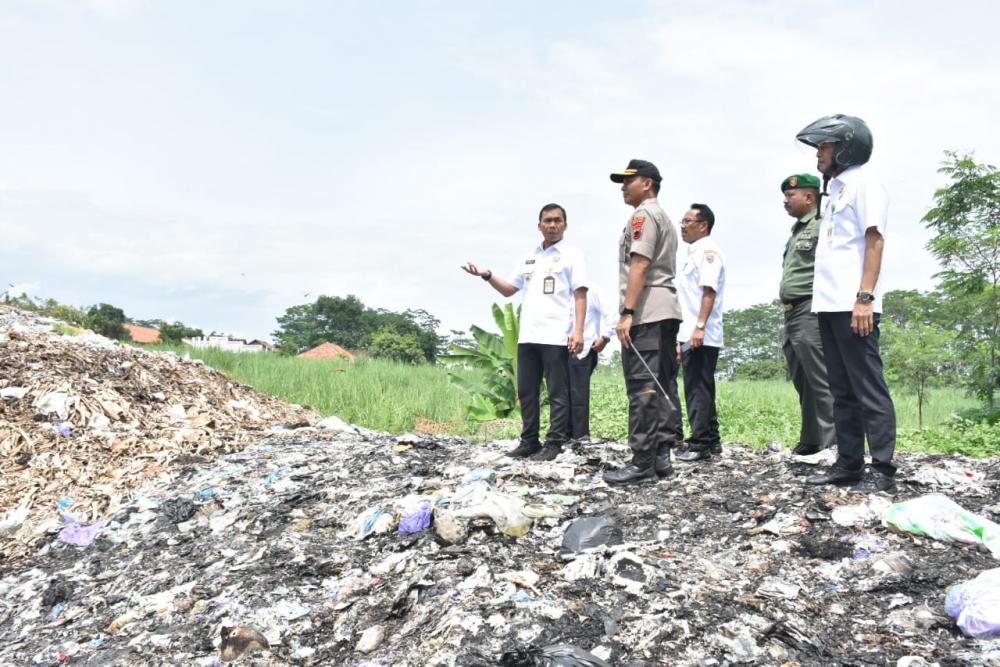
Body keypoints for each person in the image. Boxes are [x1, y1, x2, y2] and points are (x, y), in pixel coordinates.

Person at [796, 114, 898, 494]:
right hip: (829, 304)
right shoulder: (836, 189)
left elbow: (875, 240)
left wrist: (865, 297)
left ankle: (884, 469)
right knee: (841, 390)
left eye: (823, 146)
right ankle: (849, 463)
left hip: (855, 304)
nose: (818, 155)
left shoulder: (865, 184)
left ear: (843, 148)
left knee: (868, 387)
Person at [462, 203, 588, 461]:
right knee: (527, 391)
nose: (552, 225)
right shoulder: (529, 257)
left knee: (557, 392)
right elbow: (509, 289)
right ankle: (529, 440)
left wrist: (578, 331)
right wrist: (487, 275)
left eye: (557, 221)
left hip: (556, 335)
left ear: (565, 225)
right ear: (539, 225)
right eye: (547, 221)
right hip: (528, 335)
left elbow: (580, 293)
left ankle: (554, 443)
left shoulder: (572, 255)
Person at [605, 159, 683, 485]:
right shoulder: (663, 216)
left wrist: (627, 312)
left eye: (629, 181)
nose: (623, 187)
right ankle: (662, 456)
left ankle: (642, 463)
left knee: (643, 388)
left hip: (647, 312)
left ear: (647, 183)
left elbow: (640, 264)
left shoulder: (643, 216)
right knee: (663, 384)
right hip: (666, 310)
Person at [779, 173, 837, 456]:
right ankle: (812, 439)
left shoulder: (823, 225)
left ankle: (833, 446)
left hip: (811, 308)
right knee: (802, 378)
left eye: (791, 195)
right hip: (791, 312)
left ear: (810, 197)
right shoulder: (797, 231)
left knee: (821, 379)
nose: (785, 200)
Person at [674, 204, 726, 463]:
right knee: (700, 386)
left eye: (687, 221)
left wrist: (700, 327)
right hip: (690, 332)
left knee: (698, 389)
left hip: (701, 333)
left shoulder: (708, 251)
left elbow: (709, 291)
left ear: (703, 225)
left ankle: (700, 443)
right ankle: (712, 440)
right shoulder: (693, 252)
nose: (682, 226)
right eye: (682, 221)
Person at [568, 286, 615, 441]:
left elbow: (611, 315)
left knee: (578, 396)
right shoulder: (561, 291)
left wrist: (605, 337)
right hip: (558, 350)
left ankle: (580, 437)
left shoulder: (592, 291)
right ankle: (562, 436)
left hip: (584, 349)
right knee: (562, 395)